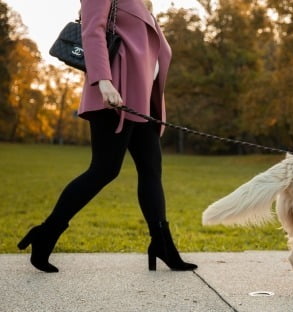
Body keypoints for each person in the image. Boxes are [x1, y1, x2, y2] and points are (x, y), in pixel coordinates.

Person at [18, 0, 196, 272]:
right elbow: (92, 30)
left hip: (143, 99)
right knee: (104, 170)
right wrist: (104, 81)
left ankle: (161, 244)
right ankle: (46, 233)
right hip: (114, 95)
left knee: (151, 170)